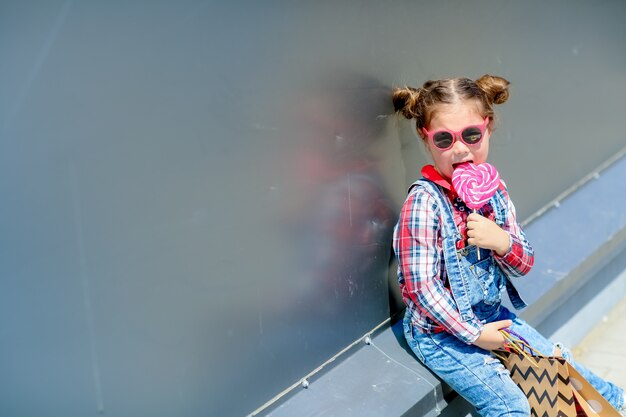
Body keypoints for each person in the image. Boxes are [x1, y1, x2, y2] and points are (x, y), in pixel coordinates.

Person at [391, 75, 626, 416]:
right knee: (510, 404)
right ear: (426, 139)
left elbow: (524, 263)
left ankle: (616, 405)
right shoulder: (424, 203)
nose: (460, 149)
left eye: (471, 135)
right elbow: (421, 288)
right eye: (444, 139)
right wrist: (474, 334)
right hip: (439, 334)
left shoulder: (494, 192)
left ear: (488, 128)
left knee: (560, 369)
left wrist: (501, 242)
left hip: (491, 317)